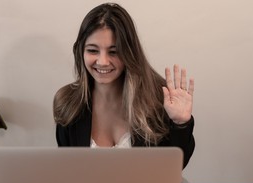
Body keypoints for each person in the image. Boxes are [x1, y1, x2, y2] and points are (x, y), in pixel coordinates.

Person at [53, 2, 195, 169]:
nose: (103, 61)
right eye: (93, 50)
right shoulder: (68, 102)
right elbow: (69, 172)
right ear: (81, 52)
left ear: (129, 53)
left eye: (114, 52)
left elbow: (173, 168)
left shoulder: (159, 97)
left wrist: (180, 123)